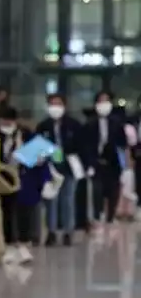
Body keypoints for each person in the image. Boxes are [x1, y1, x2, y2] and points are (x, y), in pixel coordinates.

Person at [0, 105, 47, 265]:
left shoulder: (27, 135)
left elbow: (43, 155)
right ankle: (8, 246)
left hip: (24, 180)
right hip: (3, 181)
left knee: (24, 214)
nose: (6, 125)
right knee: (6, 214)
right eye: (3, 121)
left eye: (8, 122)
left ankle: (23, 245)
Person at [35, 93, 83, 246]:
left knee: (67, 200)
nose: (55, 107)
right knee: (51, 201)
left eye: (58, 104)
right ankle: (52, 231)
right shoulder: (43, 126)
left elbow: (80, 146)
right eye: (52, 104)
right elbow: (38, 146)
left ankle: (68, 231)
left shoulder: (74, 125)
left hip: (69, 167)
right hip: (50, 168)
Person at [82, 90, 130, 227]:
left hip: (113, 162)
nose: (103, 104)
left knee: (113, 189)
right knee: (97, 189)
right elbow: (86, 144)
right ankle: (98, 214)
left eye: (106, 101)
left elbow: (123, 144)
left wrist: (125, 163)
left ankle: (111, 215)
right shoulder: (90, 124)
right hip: (96, 162)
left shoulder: (117, 123)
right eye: (101, 101)